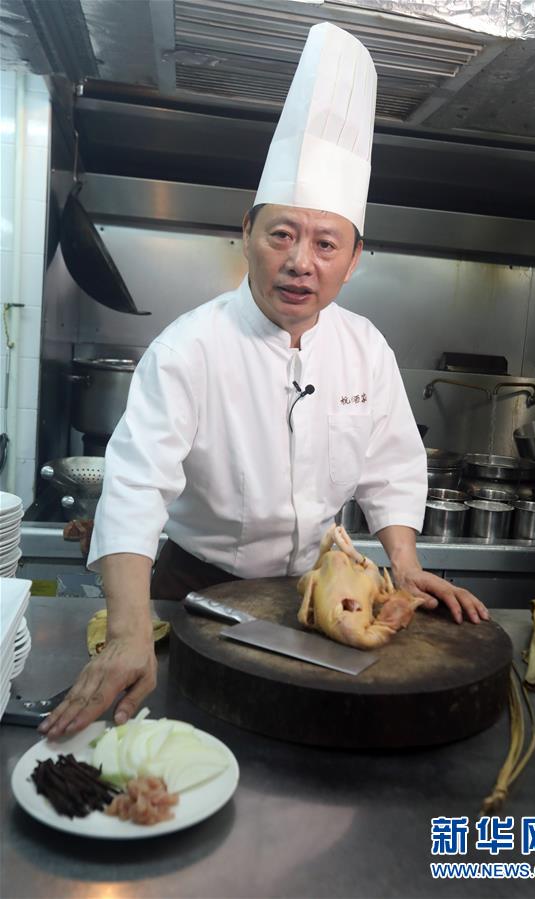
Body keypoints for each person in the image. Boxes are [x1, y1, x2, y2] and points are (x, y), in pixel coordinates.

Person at [41, 23, 488, 741]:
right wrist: (128, 628)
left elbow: (391, 467)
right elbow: (135, 486)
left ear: (354, 259)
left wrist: (404, 564)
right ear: (246, 231)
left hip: (317, 591)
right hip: (193, 587)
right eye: (282, 234)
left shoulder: (366, 349)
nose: (300, 261)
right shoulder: (189, 348)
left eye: (325, 243)